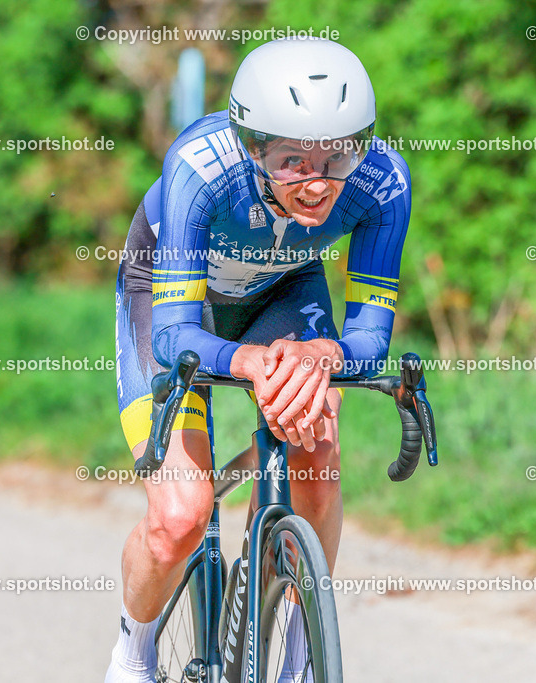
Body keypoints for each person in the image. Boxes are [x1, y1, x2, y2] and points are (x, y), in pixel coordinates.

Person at [107, 37, 411, 682]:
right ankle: (133, 652)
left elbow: (369, 338)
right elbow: (173, 339)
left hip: (284, 295)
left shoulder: (382, 181)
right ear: (250, 147)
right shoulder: (200, 164)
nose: (318, 181)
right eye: (291, 160)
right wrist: (254, 363)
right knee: (181, 518)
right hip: (172, 300)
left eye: (339, 155)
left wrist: (319, 354)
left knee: (318, 454)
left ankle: (302, 656)